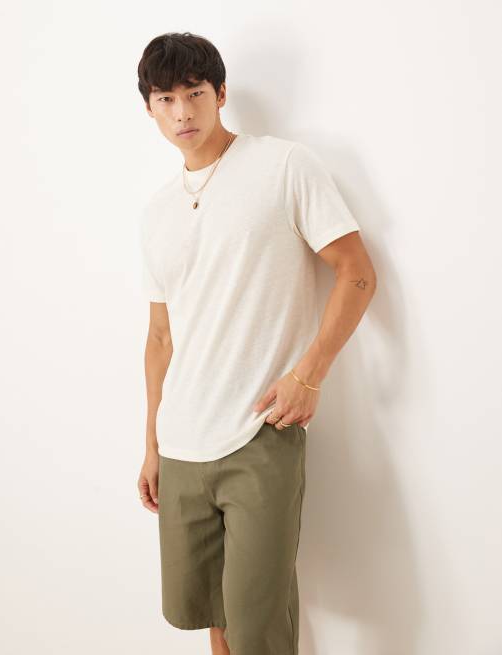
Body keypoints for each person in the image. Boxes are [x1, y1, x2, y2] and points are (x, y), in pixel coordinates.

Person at [136, 31, 377, 655]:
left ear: (221, 94)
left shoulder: (283, 166)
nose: (183, 112)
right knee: (212, 617)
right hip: (182, 442)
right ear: (150, 109)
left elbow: (356, 273)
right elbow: (160, 337)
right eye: (166, 99)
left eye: (195, 93)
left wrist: (309, 373)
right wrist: (152, 444)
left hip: (259, 433)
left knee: (258, 626)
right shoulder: (157, 212)